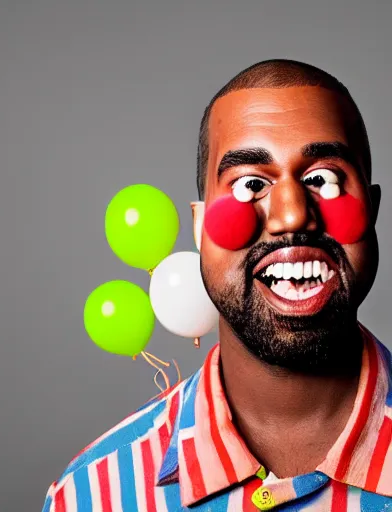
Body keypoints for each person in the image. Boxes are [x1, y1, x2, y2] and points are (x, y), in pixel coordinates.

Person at [42, 59, 392, 511]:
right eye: (250, 184)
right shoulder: (89, 496)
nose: (291, 215)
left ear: (373, 207)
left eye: (322, 179)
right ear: (200, 227)